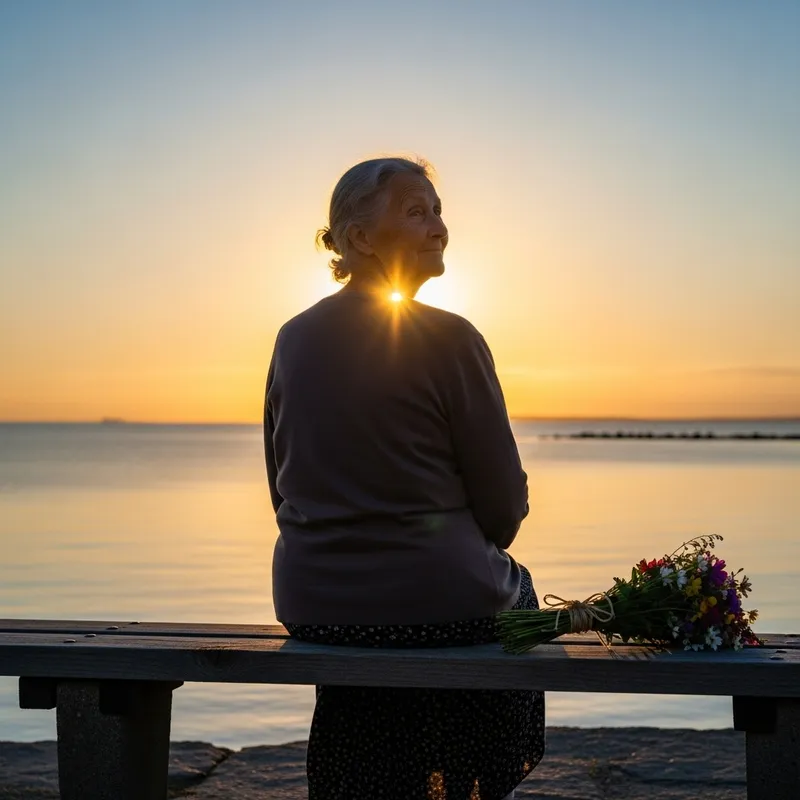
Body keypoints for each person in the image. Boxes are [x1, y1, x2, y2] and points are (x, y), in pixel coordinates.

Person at [263, 156, 544, 800]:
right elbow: (503, 508)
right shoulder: (451, 339)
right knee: (514, 595)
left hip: (316, 607)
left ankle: (372, 781)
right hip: (442, 604)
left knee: (383, 663)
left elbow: (283, 486)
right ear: (358, 239)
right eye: (417, 211)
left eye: (439, 211)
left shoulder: (292, 338)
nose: (440, 227)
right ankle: (455, 783)